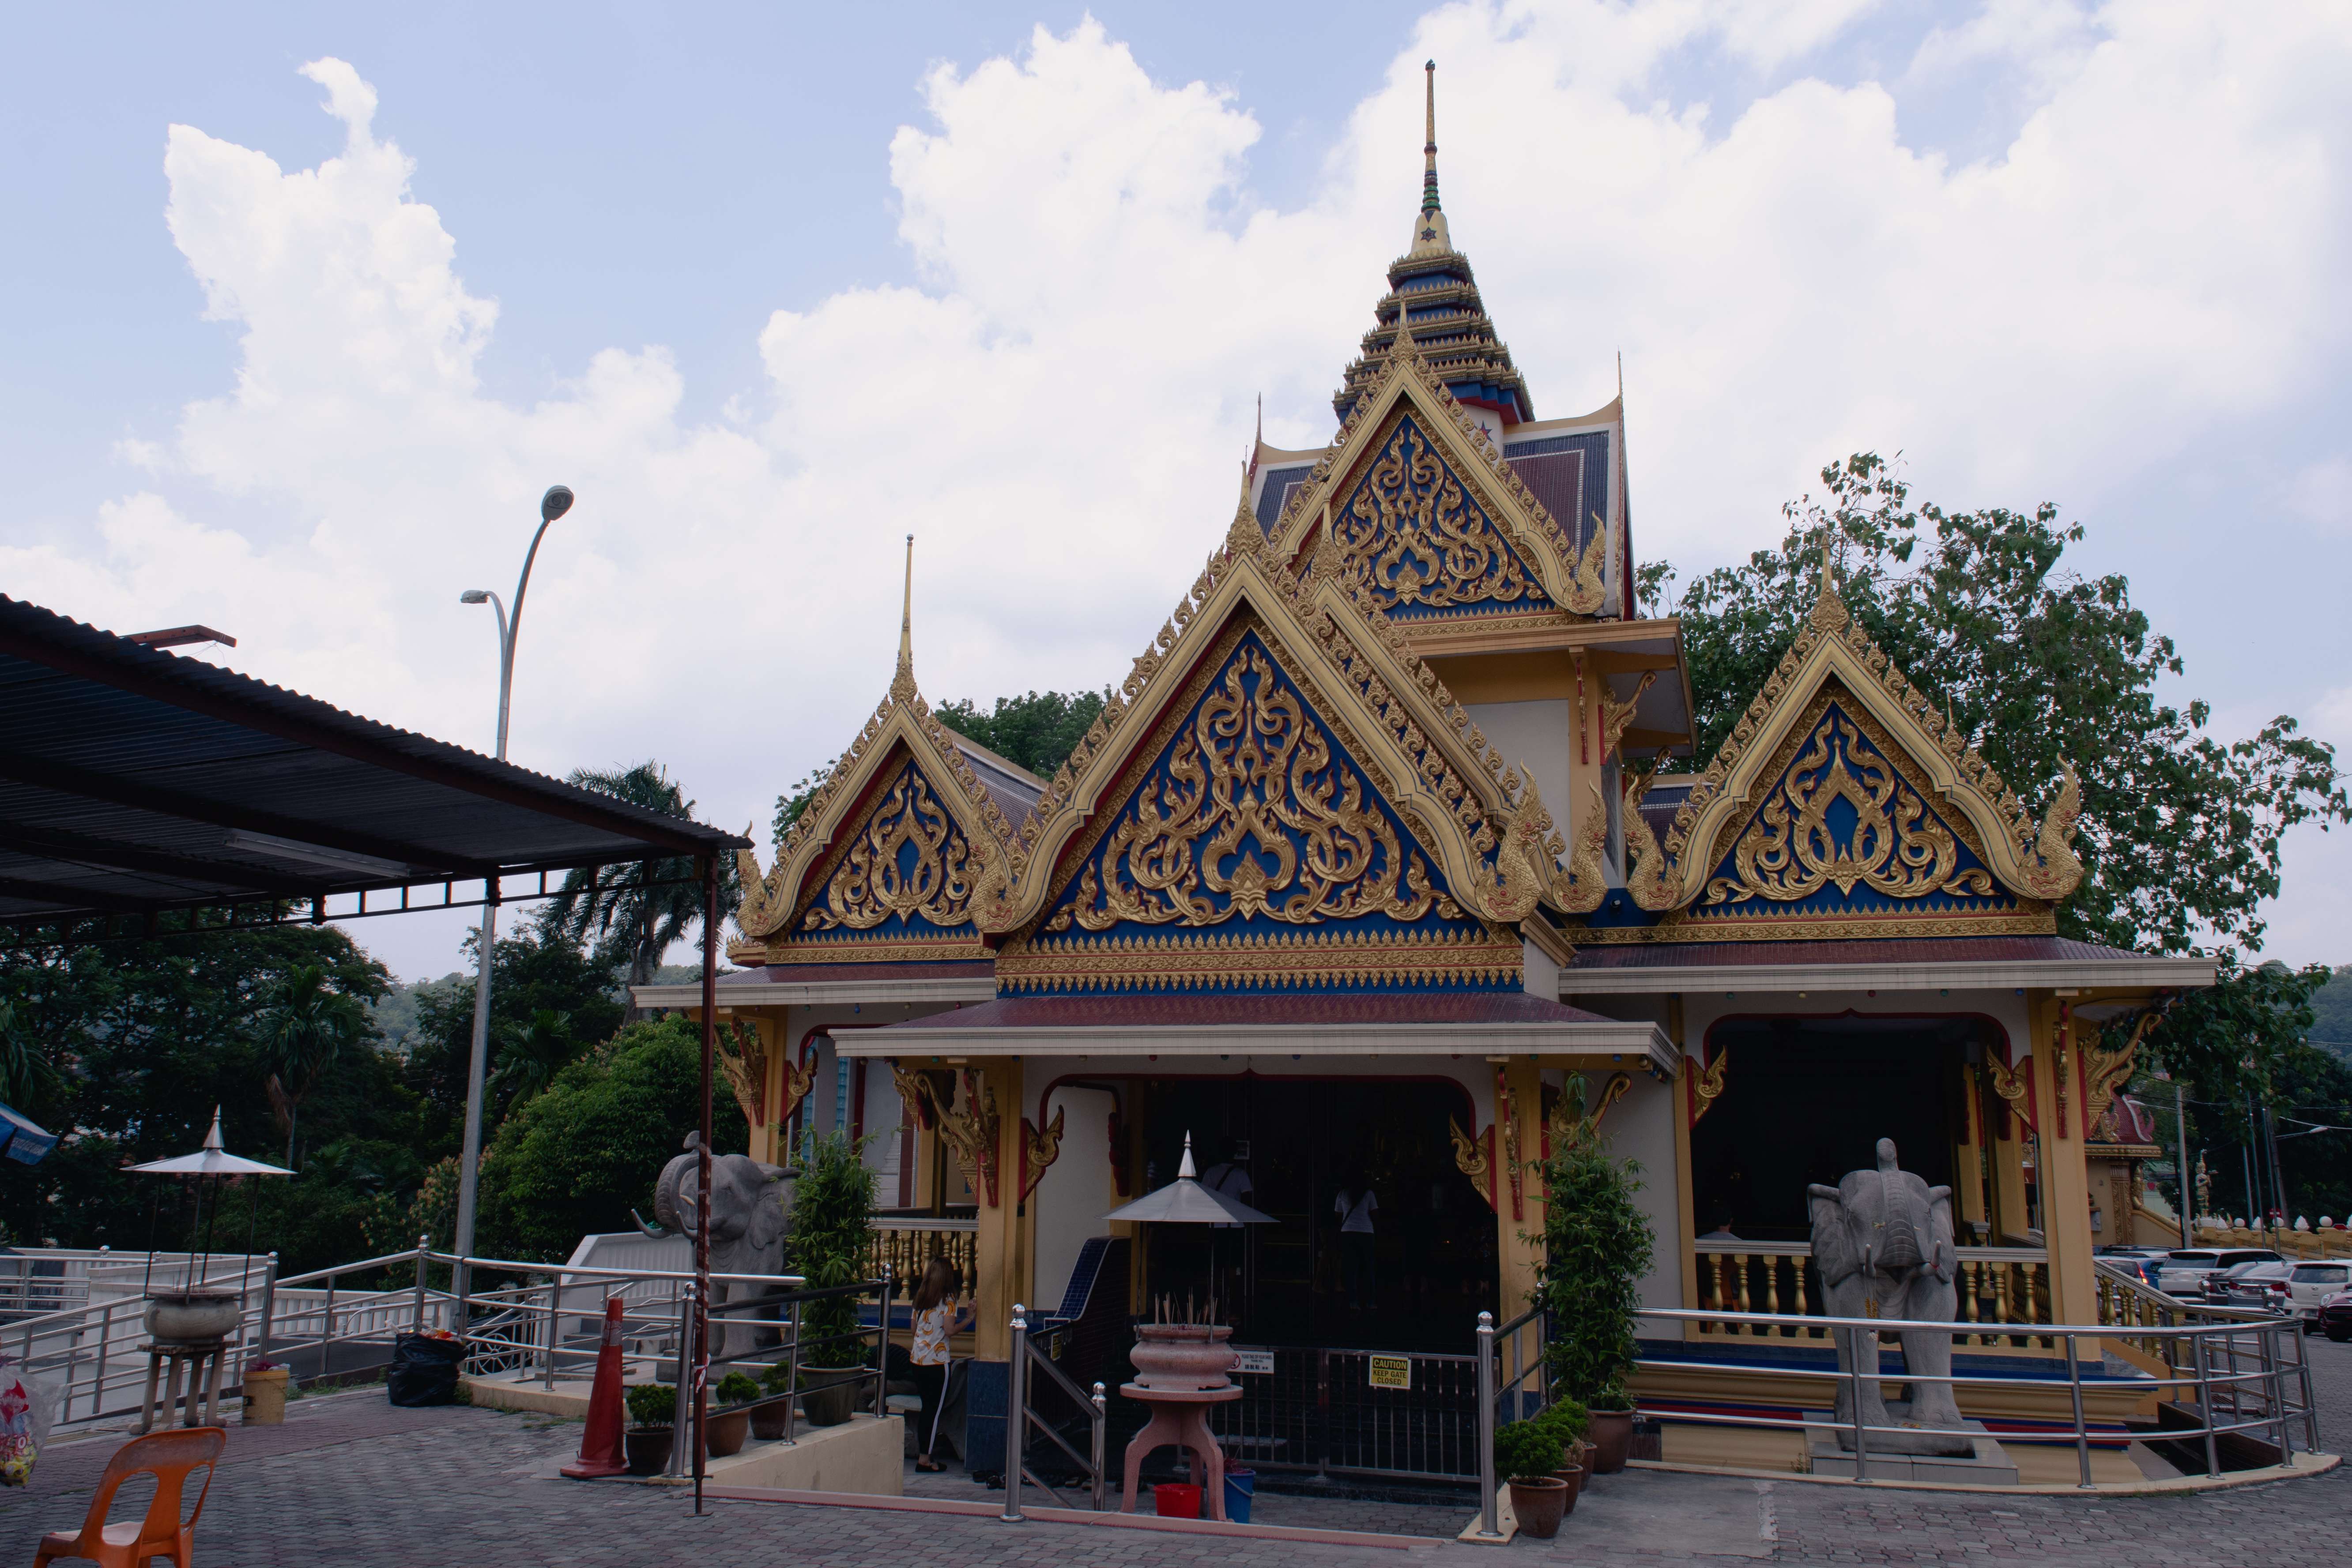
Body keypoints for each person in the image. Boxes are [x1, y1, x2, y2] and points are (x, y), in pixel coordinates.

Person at [906, 1257, 973, 1470]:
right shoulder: (949, 1301)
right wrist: (970, 1318)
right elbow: (950, 1330)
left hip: (918, 1360)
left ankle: (924, 1455)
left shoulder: (920, 1299)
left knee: (927, 1408)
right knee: (933, 1413)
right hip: (937, 1362)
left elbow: (914, 1330)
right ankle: (925, 1459)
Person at [1334, 1171, 1378, 1312]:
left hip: (1348, 1233)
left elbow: (1338, 1215)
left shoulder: (1342, 1194)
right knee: (1369, 1268)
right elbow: (1375, 1214)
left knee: (1351, 1269)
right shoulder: (1369, 1194)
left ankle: (1354, 1302)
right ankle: (1371, 1302)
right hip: (1366, 1232)